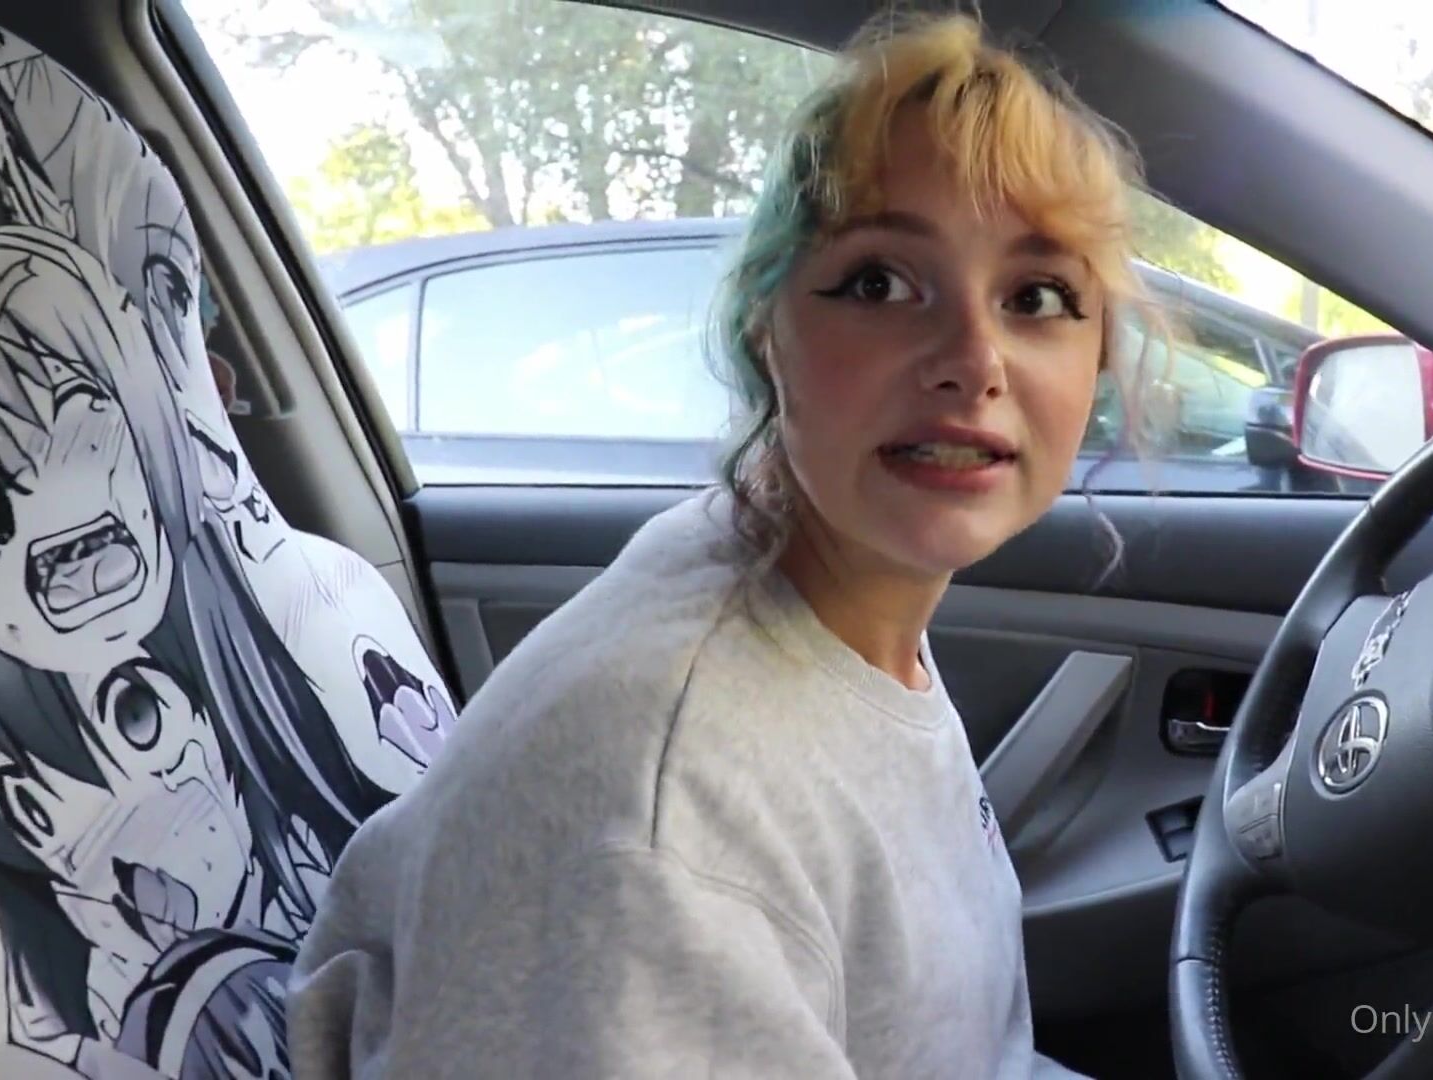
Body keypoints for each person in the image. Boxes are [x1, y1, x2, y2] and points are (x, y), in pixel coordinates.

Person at [287, 13, 1163, 1078]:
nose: (974, 360)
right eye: (882, 283)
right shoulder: (672, 822)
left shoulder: (808, 580)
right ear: (766, 326)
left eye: (1037, 297)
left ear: (1096, 357)